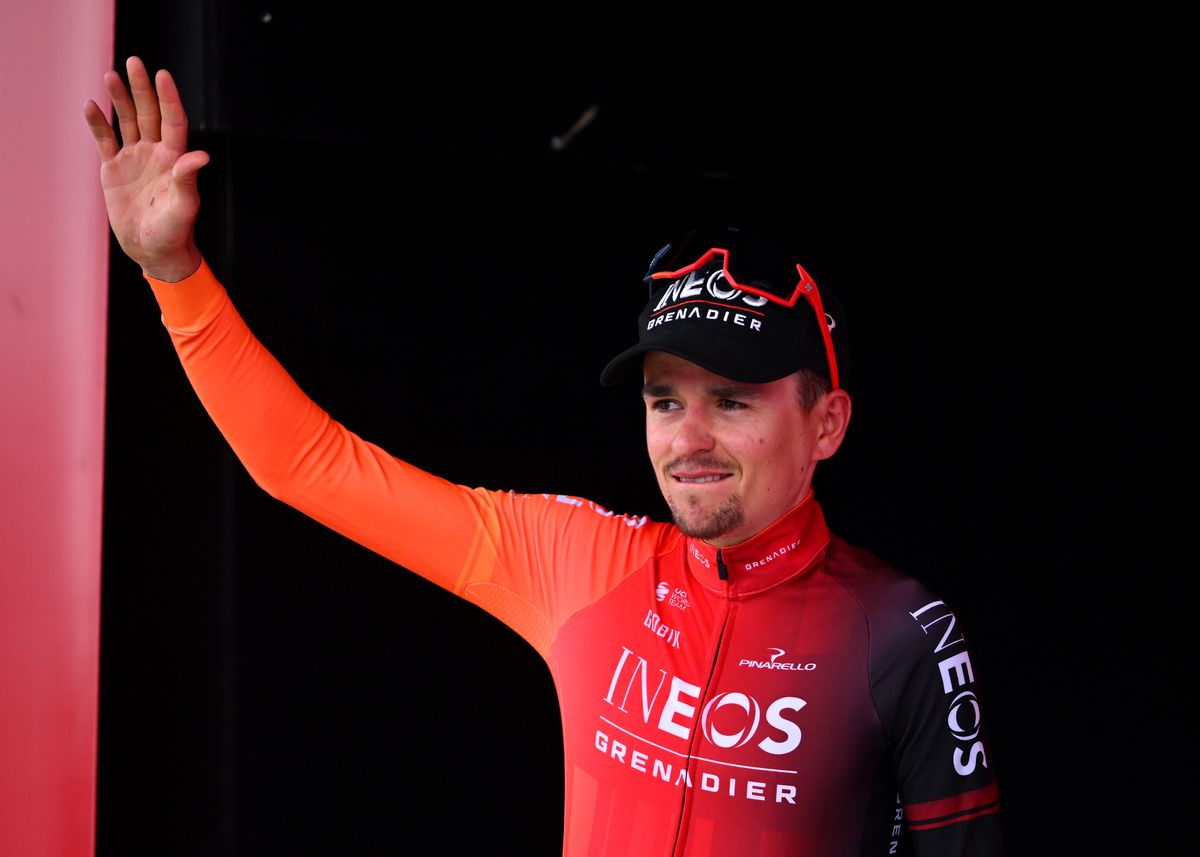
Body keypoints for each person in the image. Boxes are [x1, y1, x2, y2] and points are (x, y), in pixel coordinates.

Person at [85, 56, 1005, 857]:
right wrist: (176, 275)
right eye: (664, 401)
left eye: (731, 401)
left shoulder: (903, 630)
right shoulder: (576, 560)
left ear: (828, 424)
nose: (687, 439)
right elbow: (305, 464)